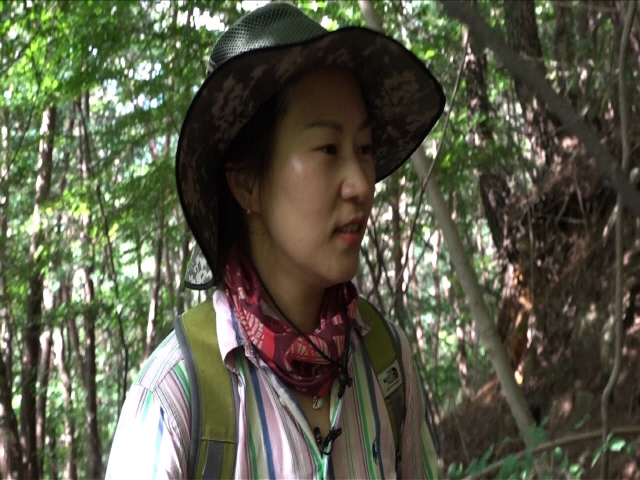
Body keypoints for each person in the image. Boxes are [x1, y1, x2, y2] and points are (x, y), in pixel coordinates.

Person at [105, 2, 445, 478]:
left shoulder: (387, 362)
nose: (361, 184)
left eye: (365, 149)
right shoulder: (172, 403)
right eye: (328, 148)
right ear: (246, 183)